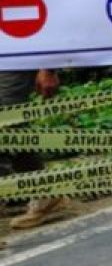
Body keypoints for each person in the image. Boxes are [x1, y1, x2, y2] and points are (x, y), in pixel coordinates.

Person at [1, 69, 66, 249]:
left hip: (12, 58)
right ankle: (44, 191)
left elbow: (43, 39)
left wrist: (47, 67)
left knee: (8, 124)